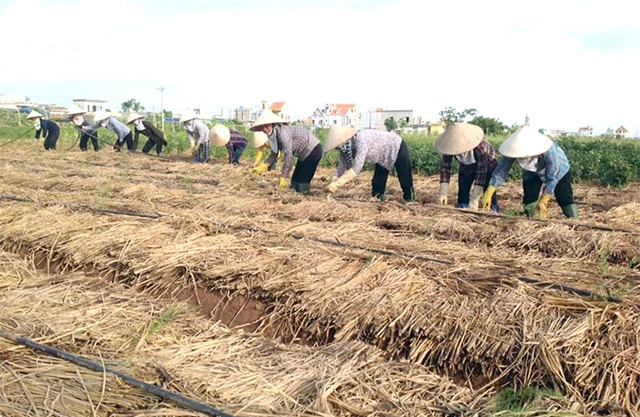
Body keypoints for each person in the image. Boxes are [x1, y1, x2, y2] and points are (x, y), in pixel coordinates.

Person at [481, 117, 578, 219]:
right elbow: (502, 170)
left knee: (564, 196)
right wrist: (490, 190)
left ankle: (574, 221)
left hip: (559, 170)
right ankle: (534, 220)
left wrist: (544, 199)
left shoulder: (549, 151)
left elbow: (553, 176)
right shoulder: (514, 148)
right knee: (529, 197)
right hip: (531, 172)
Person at [324, 125, 415, 202]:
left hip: (396, 145)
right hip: (382, 155)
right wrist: (331, 184)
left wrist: (337, 184)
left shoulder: (361, 140)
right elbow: (340, 169)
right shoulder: (346, 148)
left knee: (404, 176)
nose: (339, 149)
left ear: (345, 141)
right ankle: (378, 201)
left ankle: (410, 199)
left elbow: (357, 168)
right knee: (377, 182)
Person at [250, 110, 322, 195]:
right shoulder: (272, 135)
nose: (264, 129)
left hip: (313, 150)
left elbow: (288, 155)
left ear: (272, 124)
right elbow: (274, 153)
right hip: (303, 154)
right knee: (294, 180)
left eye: (266, 126)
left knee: (303, 179)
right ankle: (294, 196)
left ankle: (303, 199)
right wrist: (264, 166)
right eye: (262, 127)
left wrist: (284, 176)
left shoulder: (282, 133)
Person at [435, 122, 499, 211]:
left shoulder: (480, 147)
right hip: (466, 165)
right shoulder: (448, 147)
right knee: (463, 187)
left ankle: (493, 207)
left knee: (487, 186)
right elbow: (445, 168)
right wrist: (443, 192)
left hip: (487, 164)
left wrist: (474, 200)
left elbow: (481, 173)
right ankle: (463, 206)